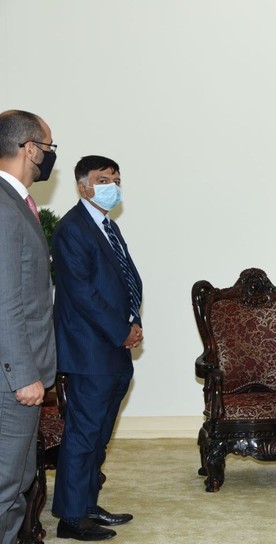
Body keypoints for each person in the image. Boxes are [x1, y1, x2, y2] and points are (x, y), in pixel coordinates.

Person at [51, 155, 143, 541]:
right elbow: (83, 293)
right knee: (83, 434)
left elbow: (121, 279)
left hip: (112, 348)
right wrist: (121, 330)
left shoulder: (106, 226)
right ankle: (70, 518)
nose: (112, 185)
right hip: (90, 351)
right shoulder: (73, 229)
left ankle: (87, 504)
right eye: (104, 179)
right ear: (83, 186)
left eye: (116, 179)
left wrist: (133, 321)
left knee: (99, 433)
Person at [0, 110, 58, 544]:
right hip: (11, 380)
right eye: (49, 147)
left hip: (17, 375)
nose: (49, 157)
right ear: (30, 148)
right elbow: (6, 302)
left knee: (16, 482)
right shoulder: (4, 208)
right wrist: (24, 376)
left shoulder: (15, 202)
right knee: (6, 486)